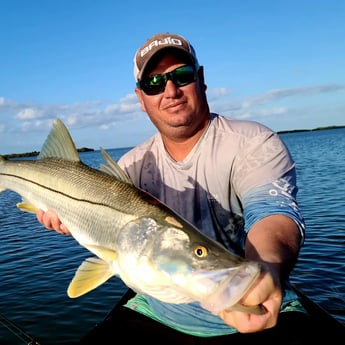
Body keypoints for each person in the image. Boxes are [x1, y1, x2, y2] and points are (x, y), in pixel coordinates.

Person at [37, 33, 311, 344]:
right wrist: (68, 219)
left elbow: (273, 215)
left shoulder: (253, 142)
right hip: (155, 311)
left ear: (201, 79)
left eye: (182, 75)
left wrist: (265, 269)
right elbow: (106, 234)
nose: (170, 90)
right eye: (154, 83)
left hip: (261, 309)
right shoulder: (130, 167)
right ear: (141, 99)